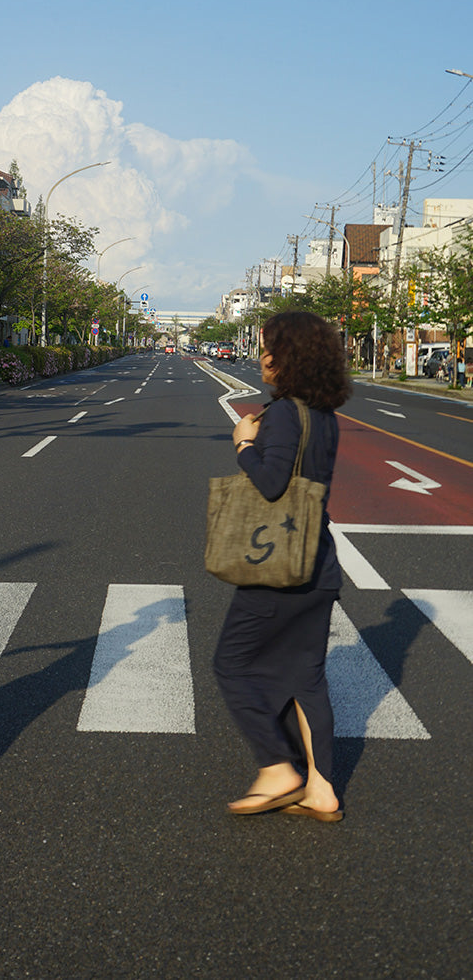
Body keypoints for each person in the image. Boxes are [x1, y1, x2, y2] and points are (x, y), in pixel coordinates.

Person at [212, 310, 351, 823]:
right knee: (306, 677)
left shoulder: (286, 413)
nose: (262, 355)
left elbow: (271, 484)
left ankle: (277, 767)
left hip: (277, 565)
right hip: (319, 561)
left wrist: (244, 444)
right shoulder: (325, 414)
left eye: (269, 346)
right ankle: (321, 789)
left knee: (232, 662)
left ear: (287, 356)